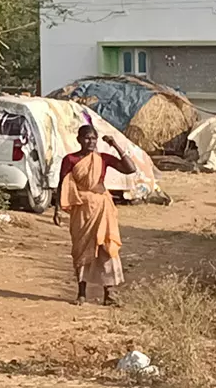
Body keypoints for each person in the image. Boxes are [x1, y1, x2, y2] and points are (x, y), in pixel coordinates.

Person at [53, 124, 136, 306]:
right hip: (81, 210)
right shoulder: (70, 159)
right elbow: (62, 184)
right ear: (79, 139)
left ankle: (109, 294)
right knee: (81, 249)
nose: (90, 142)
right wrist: (57, 209)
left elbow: (130, 169)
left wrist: (115, 145)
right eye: (87, 138)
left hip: (102, 208)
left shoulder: (102, 158)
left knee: (106, 248)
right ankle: (81, 293)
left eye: (93, 138)